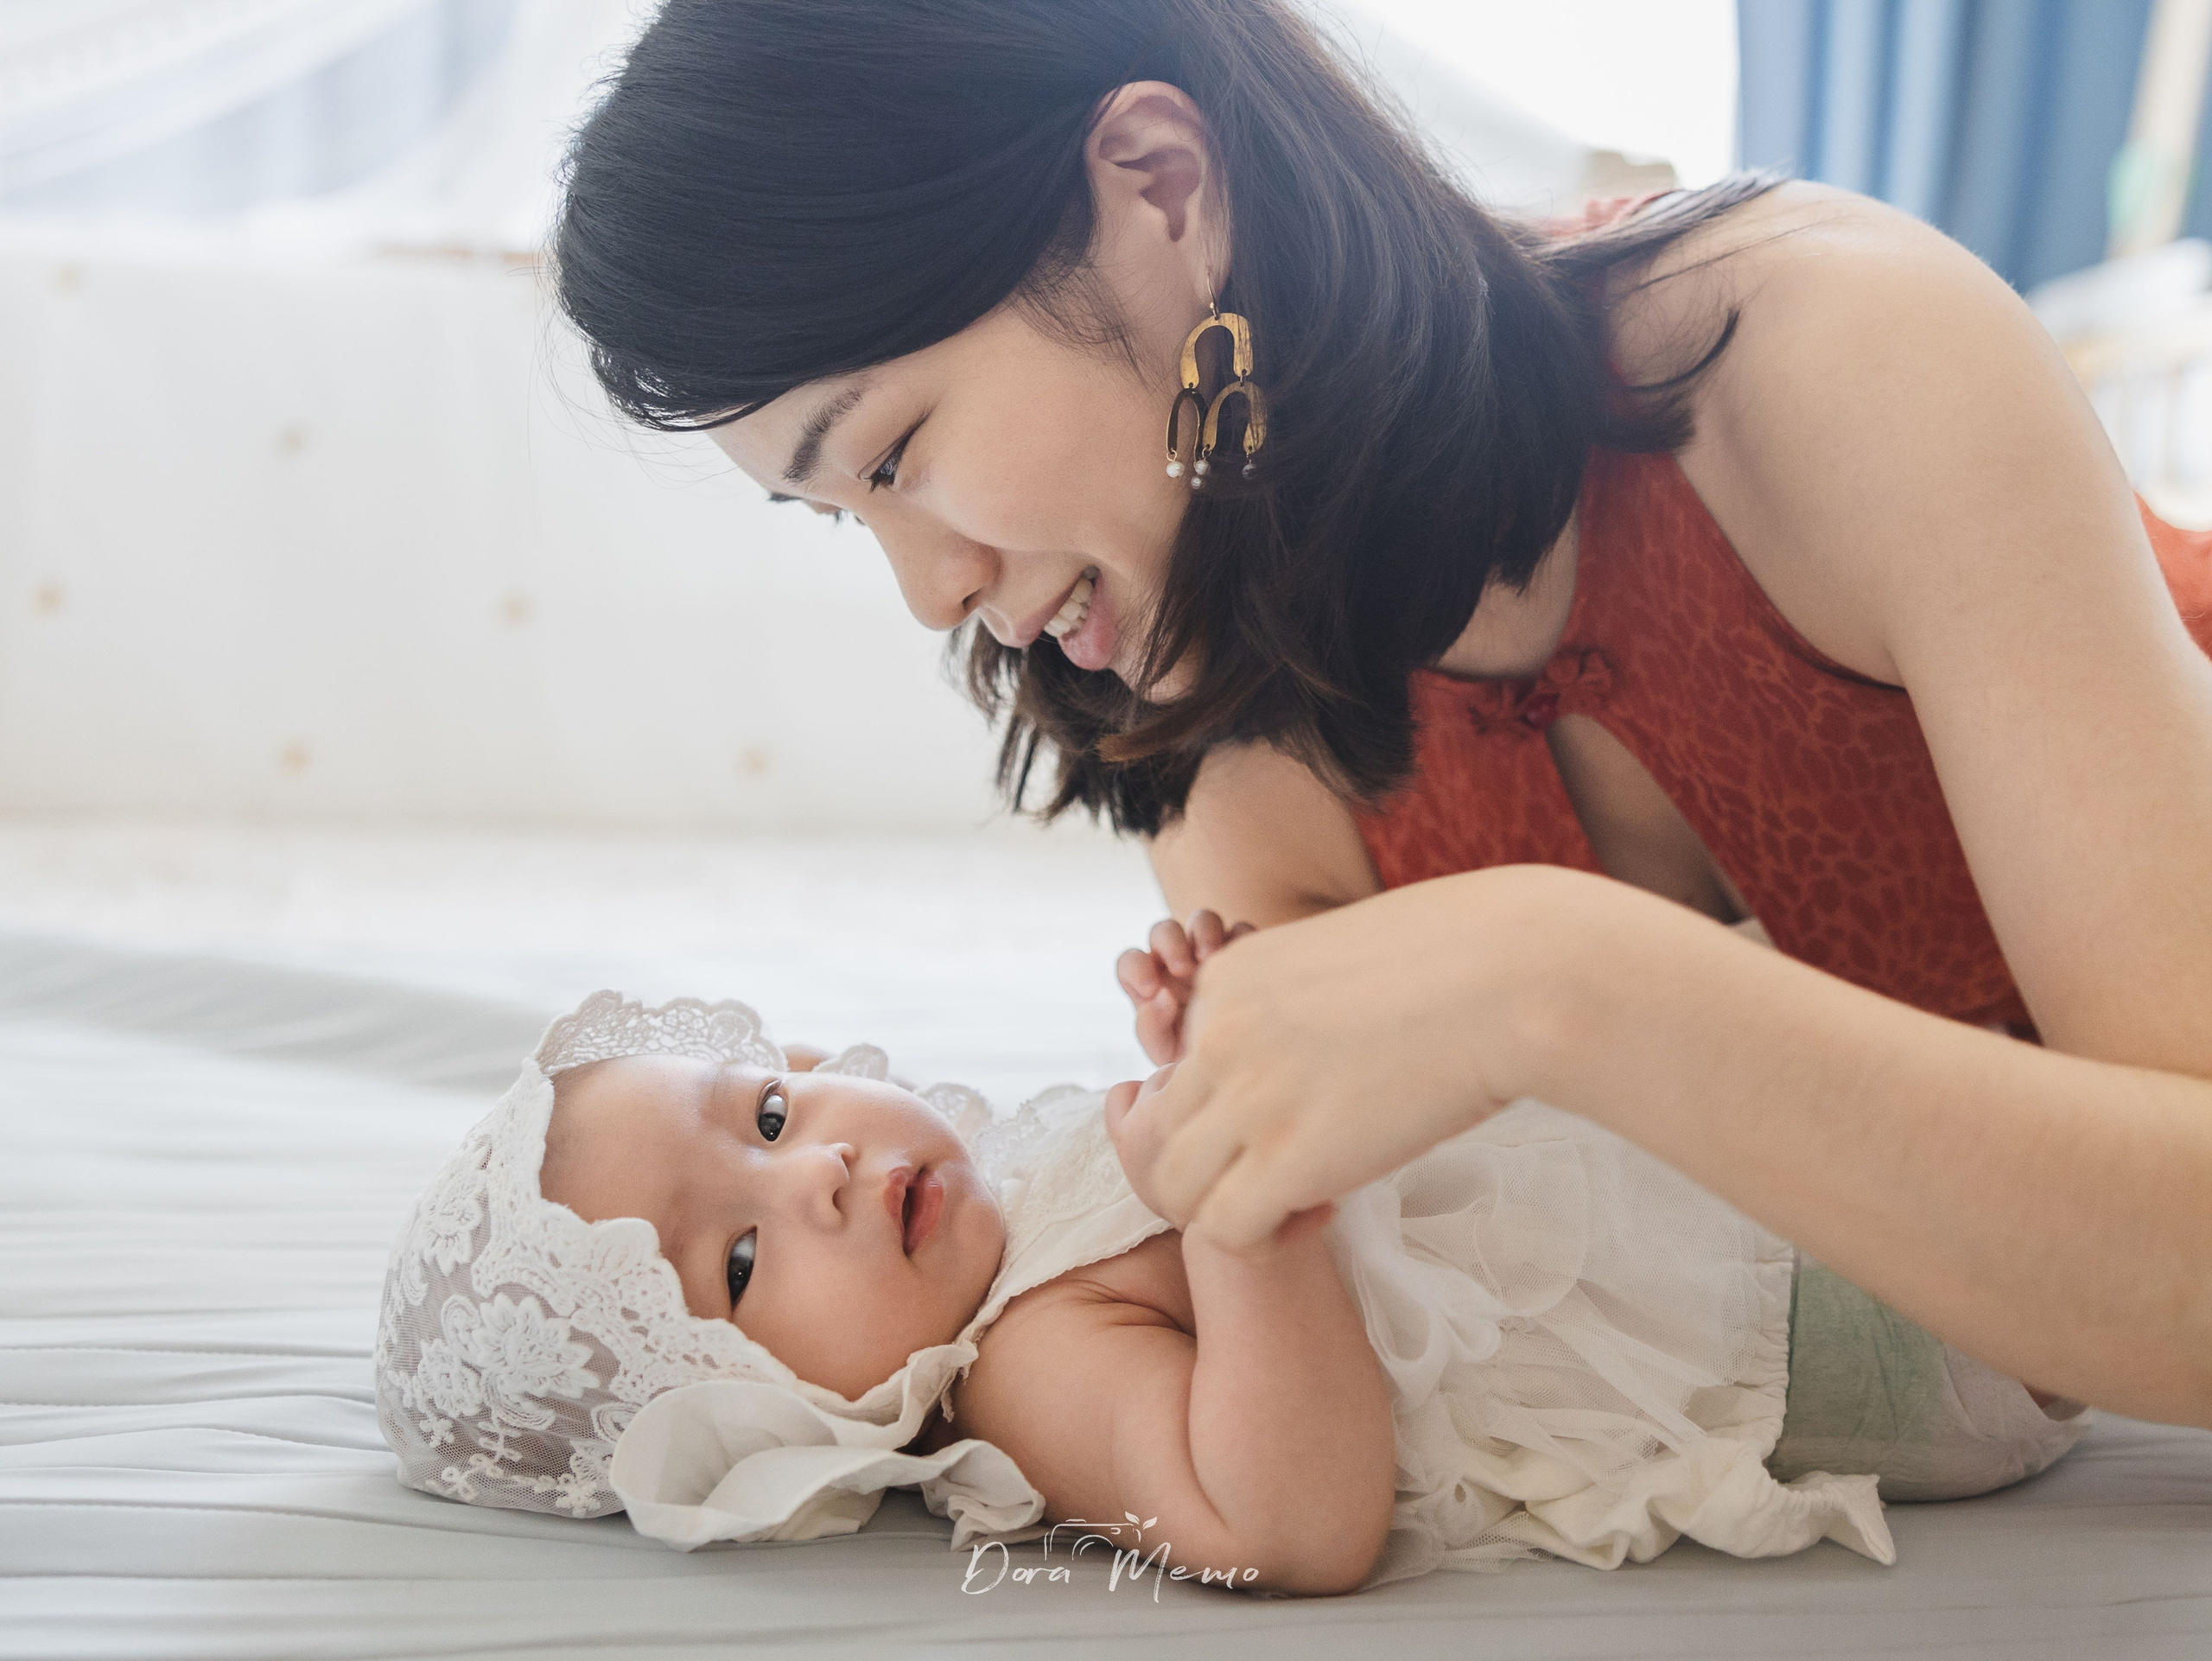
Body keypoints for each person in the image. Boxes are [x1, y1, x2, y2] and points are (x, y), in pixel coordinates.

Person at [550, 0, 2212, 1430]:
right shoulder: (1200, 713)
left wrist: (1551, 983)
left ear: (1160, 186)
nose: (930, 590)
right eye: (844, 515)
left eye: (897, 451)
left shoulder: (1820, 359)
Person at [376, 990, 2079, 1598]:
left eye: (763, 1114)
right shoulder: (1020, 1371)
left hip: (1733, 1153)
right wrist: (1247, 1225)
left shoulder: (1021, 1197)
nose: (807, 1167)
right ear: (759, 1426)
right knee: (2085, 1203)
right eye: (739, 1262)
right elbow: (1282, 1518)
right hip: (1785, 1316)